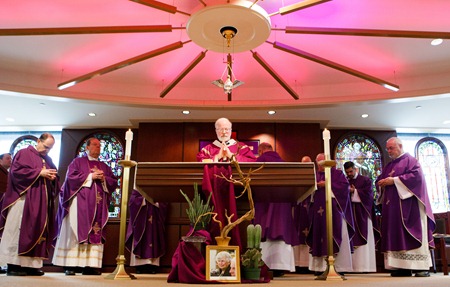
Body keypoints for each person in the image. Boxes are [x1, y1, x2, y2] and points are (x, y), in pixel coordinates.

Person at [52, 137, 118, 276]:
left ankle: (90, 265)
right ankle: (70, 265)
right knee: (75, 229)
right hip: (79, 204)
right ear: (87, 147)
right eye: (94, 145)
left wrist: (104, 179)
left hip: (98, 206)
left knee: (95, 231)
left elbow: (113, 182)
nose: (98, 147)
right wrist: (90, 177)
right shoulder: (77, 162)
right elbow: (70, 178)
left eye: (99, 146)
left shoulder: (104, 166)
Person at [0, 133, 59, 276]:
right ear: (38, 141)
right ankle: (13, 265)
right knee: (18, 230)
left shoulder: (48, 159)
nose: (47, 151)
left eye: (50, 149)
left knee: (36, 232)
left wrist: (52, 178)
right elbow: (16, 173)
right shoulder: (23, 153)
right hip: (23, 201)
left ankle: (30, 266)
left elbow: (55, 178)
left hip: (41, 203)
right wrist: (39, 172)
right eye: (45, 147)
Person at [376, 137, 435, 277]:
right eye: (388, 149)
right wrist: (381, 182)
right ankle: (402, 267)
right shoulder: (389, 166)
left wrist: (394, 180)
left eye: (391, 148)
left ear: (400, 146)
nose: (389, 151)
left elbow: (417, 177)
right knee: (396, 233)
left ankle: (421, 267)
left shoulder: (411, 161)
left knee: (413, 232)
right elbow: (381, 180)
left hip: (410, 207)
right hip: (393, 208)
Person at [197, 118, 256, 247]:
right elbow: (200, 162)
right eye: (221, 129)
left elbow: (252, 162)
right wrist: (217, 157)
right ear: (216, 131)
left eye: (226, 129)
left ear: (231, 130)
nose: (224, 132)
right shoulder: (208, 149)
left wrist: (231, 156)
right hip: (214, 191)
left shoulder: (241, 147)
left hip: (238, 192)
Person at [254, 142, 299, 276]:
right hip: (282, 203)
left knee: (264, 231)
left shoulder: (260, 161)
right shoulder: (284, 163)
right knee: (281, 228)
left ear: (261, 151)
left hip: (264, 202)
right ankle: (281, 266)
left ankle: (264, 265)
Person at [307, 153, 355, 275]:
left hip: (335, 212)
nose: (319, 165)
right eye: (317, 162)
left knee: (335, 233)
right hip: (318, 213)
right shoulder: (315, 175)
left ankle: (339, 267)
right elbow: (308, 194)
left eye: (321, 163)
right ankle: (320, 268)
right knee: (319, 235)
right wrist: (314, 187)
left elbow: (344, 188)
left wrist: (327, 185)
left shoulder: (337, 173)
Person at [344, 161, 380, 273]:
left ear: (356, 169)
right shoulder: (344, 181)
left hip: (362, 213)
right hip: (349, 214)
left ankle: (364, 267)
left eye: (351, 171)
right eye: (347, 172)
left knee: (363, 238)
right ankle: (351, 267)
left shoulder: (365, 180)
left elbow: (369, 196)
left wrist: (354, 191)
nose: (349, 174)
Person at [126, 189, 168, 274]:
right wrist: (144, 199)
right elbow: (133, 200)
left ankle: (151, 265)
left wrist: (154, 200)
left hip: (154, 216)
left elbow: (164, 202)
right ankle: (139, 266)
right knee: (141, 236)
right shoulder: (137, 185)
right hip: (140, 216)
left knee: (153, 237)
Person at [293, 155, 314, 274]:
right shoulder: (297, 175)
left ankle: (308, 264)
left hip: (311, 209)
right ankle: (298, 264)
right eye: (303, 164)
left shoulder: (315, 175)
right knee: (298, 234)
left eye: (307, 164)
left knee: (310, 234)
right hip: (299, 209)